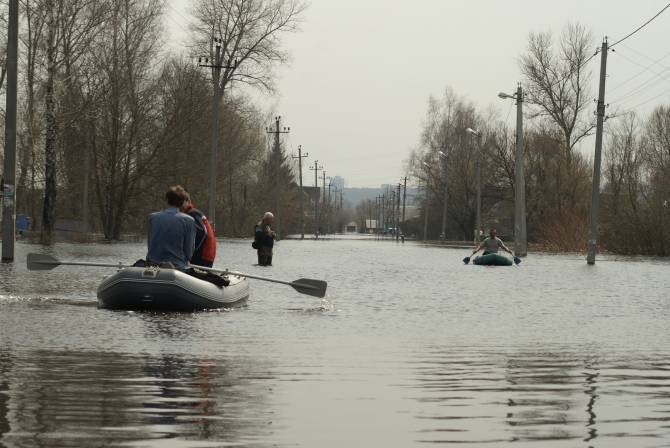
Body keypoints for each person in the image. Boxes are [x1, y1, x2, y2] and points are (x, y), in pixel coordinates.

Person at [146, 186, 196, 271]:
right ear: (182, 201)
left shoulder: (152, 217)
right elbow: (189, 253)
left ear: (167, 200)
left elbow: (150, 245)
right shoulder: (189, 220)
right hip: (177, 267)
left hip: (152, 265)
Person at [180, 192, 216, 268]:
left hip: (203, 255)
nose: (178, 204)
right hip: (207, 255)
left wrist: (190, 253)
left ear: (187, 201)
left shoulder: (192, 213)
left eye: (181, 202)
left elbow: (201, 232)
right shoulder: (192, 213)